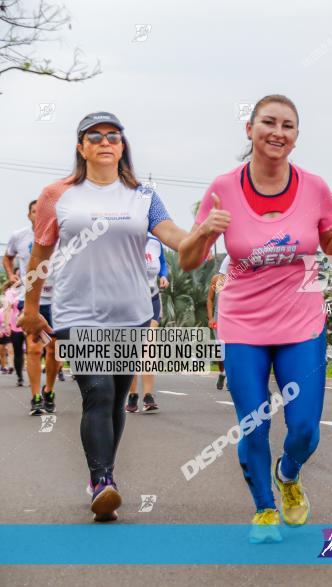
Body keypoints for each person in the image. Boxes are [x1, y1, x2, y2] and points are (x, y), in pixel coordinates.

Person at [19, 111, 208, 522]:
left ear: (122, 146)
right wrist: (31, 309)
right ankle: (103, 480)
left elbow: (173, 236)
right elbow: (40, 253)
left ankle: (103, 475)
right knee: (99, 391)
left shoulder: (143, 195)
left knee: (118, 397)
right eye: (95, 136)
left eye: (114, 136)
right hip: (76, 312)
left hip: (131, 312)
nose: (105, 142)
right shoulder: (57, 194)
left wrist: (201, 234)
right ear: (81, 146)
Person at [187, 94, 332, 543]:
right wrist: (203, 231)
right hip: (243, 324)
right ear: (250, 130)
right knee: (254, 421)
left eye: (288, 126)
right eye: (268, 122)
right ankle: (263, 508)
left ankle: (289, 473)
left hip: (302, 322)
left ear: (296, 137)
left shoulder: (315, 187)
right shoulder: (223, 187)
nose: (278, 132)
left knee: (303, 428)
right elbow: (187, 260)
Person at [4, 200, 61, 414]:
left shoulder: (62, 237)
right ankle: (36, 397)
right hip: (30, 301)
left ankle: (50, 390)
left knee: (54, 349)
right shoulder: (19, 236)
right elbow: (8, 258)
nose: (39, 215)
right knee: (35, 348)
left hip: (57, 302)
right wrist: (11, 275)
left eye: (43, 211)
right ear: (29, 215)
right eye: (35, 212)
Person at [126, 234, 169, 413]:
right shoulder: (125, 239)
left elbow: (163, 264)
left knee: (149, 346)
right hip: (129, 301)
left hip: (152, 299)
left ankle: (148, 395)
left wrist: (164, 276)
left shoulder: (155, 242)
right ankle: (133, 394)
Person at [207, 255, 229, 390]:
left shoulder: (240, 279)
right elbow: (210, 299)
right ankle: (222, 373)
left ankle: (230, 378)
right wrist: (211, 318)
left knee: (233, 348)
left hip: (234, 319)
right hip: (218, 318)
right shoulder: (218, 279)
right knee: (220, 349)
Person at [0, 281, 15, 375]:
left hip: (10, 330)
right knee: (1, 351)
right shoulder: (1, 310)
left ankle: (11, 366)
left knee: (10, 349)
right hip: (1, 332)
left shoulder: (15, 309)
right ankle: (4, 367)